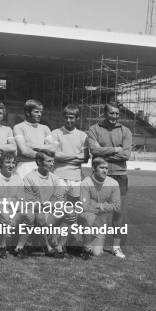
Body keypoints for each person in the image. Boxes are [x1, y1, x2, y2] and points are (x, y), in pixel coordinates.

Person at [87, 102, 132, 259]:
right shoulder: (94, 129)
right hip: (99, 176)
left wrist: (103, 152)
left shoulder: (125, 131)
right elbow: (93, 150)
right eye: (111, 113)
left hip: (119, 175)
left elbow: (126, 155)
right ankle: (92, 242)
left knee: (118, 213)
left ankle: (116, 247)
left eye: (117, 114)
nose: (114, 117)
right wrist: (115, 149)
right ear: (104, 113)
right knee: (95, 209)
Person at [50, 104, 89, 253]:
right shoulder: (56, 133)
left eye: (72, 117)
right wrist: (75, 157)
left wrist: (65, 157)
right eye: (66, 117)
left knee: (71, 213)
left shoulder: (82, 136)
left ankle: (62, 242)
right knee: (57, 211)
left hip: (76, 178)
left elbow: (85, 158)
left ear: (77, 118)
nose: (68, 120)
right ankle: (52, 240)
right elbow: (55, 155)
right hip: (59, 176)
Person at [22, 149, 66, 258]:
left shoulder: (55, 178)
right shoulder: (29, 178)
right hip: (36, 211)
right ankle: (48, 248)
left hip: (50, 210)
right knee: (40, 216)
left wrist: (51, 206)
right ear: (39, 162)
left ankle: (59, 246)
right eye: (49, 161)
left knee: (68, 213)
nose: (52, 164)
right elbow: (29, 201)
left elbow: (58, 199)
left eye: (53, 161)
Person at [79, 157, 121, 259]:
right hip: (86, 216)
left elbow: (117, 206)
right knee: (89, 218)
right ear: (94, 168)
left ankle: (88, 240)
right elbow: (84, 206)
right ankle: (86, 248)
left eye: (106, 168)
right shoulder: (86, 182)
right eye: (102, 167)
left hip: (101, 219)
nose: (105, 170)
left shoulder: (113, 183)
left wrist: (98, 206)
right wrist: (105, 206)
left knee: (97, 253)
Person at [13, 99, 54, 178]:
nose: (40, 114)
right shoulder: (18, 127)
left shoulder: (45, 128)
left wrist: (32, 146)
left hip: (42, 166)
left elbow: (52, 148)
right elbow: (24, 151)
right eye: (36, 112)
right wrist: (44, 154)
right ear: (28, 113)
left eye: (41, 112)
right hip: (25, 166)